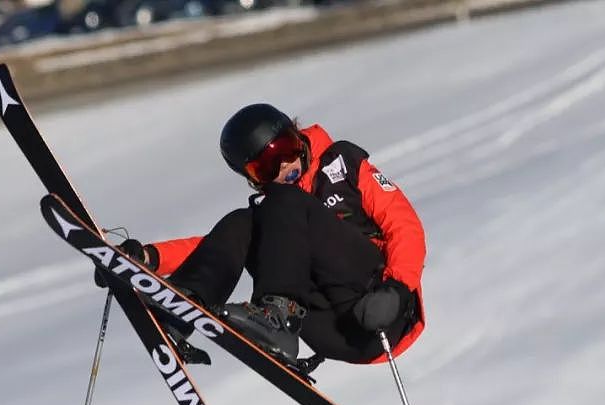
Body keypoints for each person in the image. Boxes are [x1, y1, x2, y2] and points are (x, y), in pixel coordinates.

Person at [104, 103, 427, 367]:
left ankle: (278, 317)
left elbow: (404, 225)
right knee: (242, 221)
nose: (285, 166)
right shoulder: (277, 206)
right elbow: (218, 246)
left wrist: (396, 289)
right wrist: (148, 259)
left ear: (298, 137)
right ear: (251, 177)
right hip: (331, 329)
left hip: (378, 308)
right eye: (267, 167)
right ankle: (183, 305)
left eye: (286, 149)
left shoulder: (341, 164)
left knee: (283, 202)